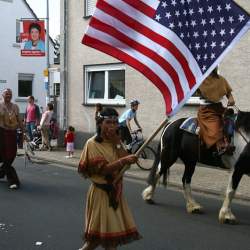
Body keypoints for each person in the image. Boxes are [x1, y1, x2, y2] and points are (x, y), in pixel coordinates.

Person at [78, 107, 141, 250]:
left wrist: (118, 143)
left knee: (100, 242)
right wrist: (124, 161)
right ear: (100, 123)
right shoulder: (92, 143)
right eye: (108, 122)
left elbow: (126, 164)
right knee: (104, 242)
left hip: (115, 193)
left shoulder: (115, 141)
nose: (112, 126)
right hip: (101, 194)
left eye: (115, 122)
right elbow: (103, 170)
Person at [197, 67, 235, 155]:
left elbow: (229, 93)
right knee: (217, 123)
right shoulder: (199, 80)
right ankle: (220, 146)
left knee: (231, 119)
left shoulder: (221, 79)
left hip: (219, 107)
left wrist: (231, 99)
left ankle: (230, 141)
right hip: (206, 110)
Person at [0, 89, 23, 189]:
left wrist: (24, 131)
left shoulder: (15, 106)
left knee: (12, 155)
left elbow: (19, 120)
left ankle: (1, 172)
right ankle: (13, 181)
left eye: (10, 94)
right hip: (1, 132)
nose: (8, 95)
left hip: (12, 133)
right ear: (2, 95)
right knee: (5, 155)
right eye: (6, 94)